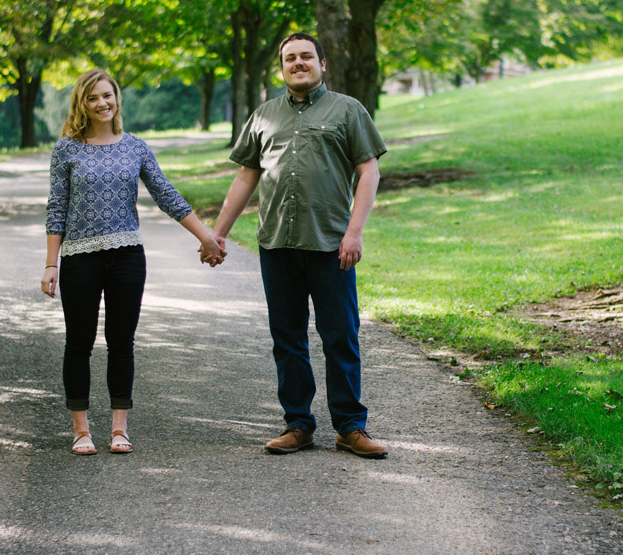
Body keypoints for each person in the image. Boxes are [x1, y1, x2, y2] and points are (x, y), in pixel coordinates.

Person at [213, 33, 388, 459]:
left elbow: (369, 172)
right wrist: (218, 232)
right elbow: (245, 178)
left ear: (322, 63)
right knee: (287, 338)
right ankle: (298, 425)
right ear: (282, 67)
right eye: (289, 58)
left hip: (331, 245)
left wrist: (355, 231)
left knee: (340, 336)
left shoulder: (348, 110)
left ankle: (350, 427)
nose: (298, 63)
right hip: (276, 245)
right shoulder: (263, 116)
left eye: (306, 56)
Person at [42, 69, 223, 455]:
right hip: (79, 258)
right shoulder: (67, 149)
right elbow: (56, 208)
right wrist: (51, 263)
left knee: (121, 342)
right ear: (82, 104)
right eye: (93, 98)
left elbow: (166, 194)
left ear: (116, 99)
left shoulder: (135, 147)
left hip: (127, 257)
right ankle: (81, 430)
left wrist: (206, 237)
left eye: (107, 96)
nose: (102, 103)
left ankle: (119, 429)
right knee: (79, 343)